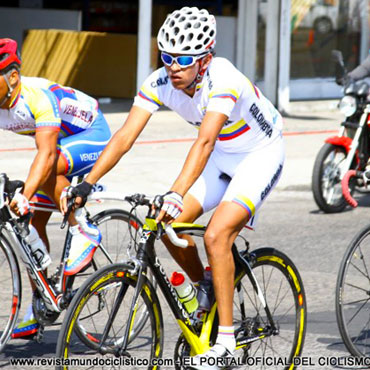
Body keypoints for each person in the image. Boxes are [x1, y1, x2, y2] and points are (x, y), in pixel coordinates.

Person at [61, 7, 285, 369]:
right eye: (166, 57)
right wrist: (86, 183)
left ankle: (226, 343)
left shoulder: (224, 79)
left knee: (215, 236)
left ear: (205, 58)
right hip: (222, 157)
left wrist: (176, 192)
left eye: (183, 59)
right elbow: (124, 136)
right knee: (167, 224)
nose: (173, 67)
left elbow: (205, 142)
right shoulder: (160, 82)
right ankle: (207, 290)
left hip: (259, 156)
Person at [0, 38, 111, 339]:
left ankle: (83, 228)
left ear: (12, 77)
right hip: (61, 142)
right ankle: (41, 302)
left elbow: (47, 155)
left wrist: (22, 194)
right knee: (31, 224)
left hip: (92, 132)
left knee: (46, 167)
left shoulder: (37, 96)